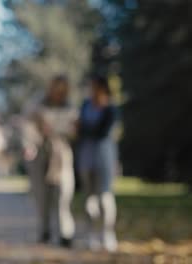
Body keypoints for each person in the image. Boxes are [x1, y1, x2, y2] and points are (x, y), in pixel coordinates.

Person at [23, 75, 77, 248]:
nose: (58, 94)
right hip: (40, 152)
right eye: (56, 90)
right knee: (41, 196)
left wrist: (58, 130)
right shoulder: (38, 104)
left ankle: (65, 233)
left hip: (61, 154)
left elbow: (74, 131)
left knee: (63, 195)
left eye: (62, 91)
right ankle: (44, 231)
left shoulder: (69, 107)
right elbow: (27, 126)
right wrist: (30, 144)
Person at [77, 76, 118, 252]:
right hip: (87, 155)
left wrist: (86, 128)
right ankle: (91, 234)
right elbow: (79, 130)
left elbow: (103, 131)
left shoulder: (111, 108)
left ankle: (108, 233)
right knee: (89, 197)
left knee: (105, 196)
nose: (92, 91)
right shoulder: (85, 105)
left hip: (104, 155)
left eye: (94, 87)